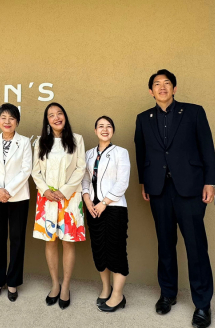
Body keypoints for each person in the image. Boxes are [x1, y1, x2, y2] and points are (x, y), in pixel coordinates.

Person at [134, 69, 215, 328]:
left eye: (167, 83)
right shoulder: (143, 118)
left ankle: (202, 304)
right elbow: (141, 152)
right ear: (151, 91)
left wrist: (210, 181)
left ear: (174, 88)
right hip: (159, 189)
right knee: (165, 244)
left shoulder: (194, 112)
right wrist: (144, 182)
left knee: (196, 246)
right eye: (157, 84)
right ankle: (168, 293)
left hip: (190, 188)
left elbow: (207, 147)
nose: (162, 87)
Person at [32, 102, 86, 310]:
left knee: (68, 242)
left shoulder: (77, 139)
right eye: (51, 115)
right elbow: (35, 171)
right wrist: (45, 190)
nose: (56, 117)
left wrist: (64, 191)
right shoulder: (40, 142)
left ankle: (66, 286)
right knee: (51, 241)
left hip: (69, 198)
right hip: (47, 199)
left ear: (65, 116)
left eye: (59, 113)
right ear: (47, 120)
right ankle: (55, 284)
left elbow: (81, 168)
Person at [0, 103, 32, 302]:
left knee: (17, 240)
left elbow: (26, 169)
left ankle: (12, 282)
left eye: (11, 118)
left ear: (17, 121)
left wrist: (8, 191)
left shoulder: (24, 142)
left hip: (18, 197)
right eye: (3, 117)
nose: (7, 121)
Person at [82, 116, 131, 312]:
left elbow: (122, 182)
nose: (104, 129)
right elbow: (85, 179)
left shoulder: (121, 152)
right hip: (93, 209)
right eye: (101, 126)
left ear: (113, 131)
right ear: (95, 131)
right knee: (99, 249)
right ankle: (106, 288)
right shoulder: (88, 154)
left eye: (108, 126)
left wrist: (104, 203)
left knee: (116, 250)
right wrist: (87, 200)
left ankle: (118, 295)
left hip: (114, 208)